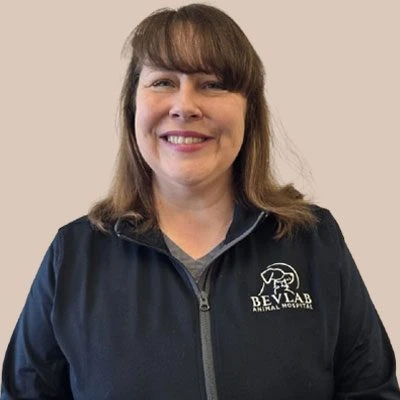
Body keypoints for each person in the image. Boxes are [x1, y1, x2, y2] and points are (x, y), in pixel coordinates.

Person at [1, 3, 399, 399]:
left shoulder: (313, 241)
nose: (185, 106)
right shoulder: (73, 257)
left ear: (249, 111)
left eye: (212, 84)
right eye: (162, 82)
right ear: (132, 107)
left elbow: (372, 391)